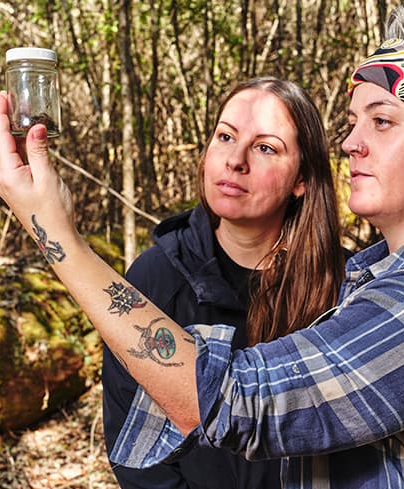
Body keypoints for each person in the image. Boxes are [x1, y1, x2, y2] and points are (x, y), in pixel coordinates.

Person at [0, 5, 404, 488]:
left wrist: (57, 234)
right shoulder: (381, 276)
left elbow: (234, 402)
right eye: (351, 123)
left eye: (383, 122)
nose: (351, 142)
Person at [100, 77, 347, 488]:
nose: (236, 160)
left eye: (266, 147)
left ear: (302, 180)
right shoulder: (155, 278)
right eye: (226, 136)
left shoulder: (344, 286)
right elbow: (133, 448)